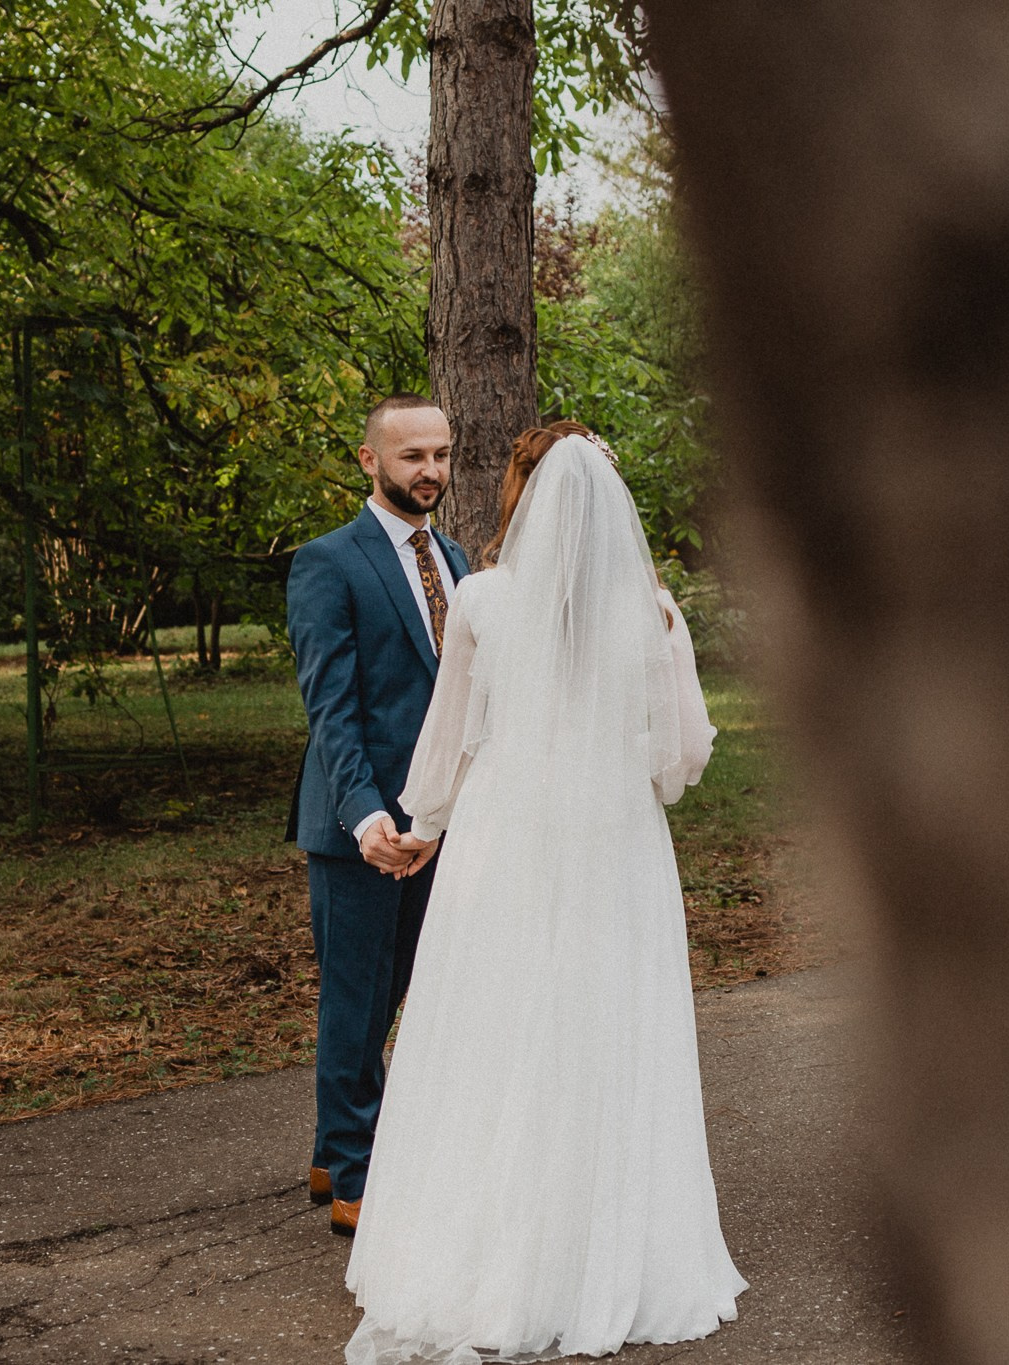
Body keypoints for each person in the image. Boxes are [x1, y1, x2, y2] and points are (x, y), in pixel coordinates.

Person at [343, 423, 747, 1363]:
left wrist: (424, 826)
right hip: (614, 845)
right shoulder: (652, 614)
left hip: (504, 842)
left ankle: (483, 1248)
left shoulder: (481, 600)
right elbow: (681, 758)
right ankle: (604, 1248)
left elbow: (446, 742)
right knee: (606, 1033)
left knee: (498, 1033)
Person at [286, 393, 471, 1237]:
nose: (429, 470)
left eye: (438, 454)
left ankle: (332, 1149)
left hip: (441, 827)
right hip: (360, 829)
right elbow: (331, 706)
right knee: (357, 1005)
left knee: (414, 994)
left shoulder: (461, 561)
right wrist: (368, 819)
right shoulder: (329, 561)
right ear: (370, 461)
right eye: (411, 457)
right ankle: (355, 1177)